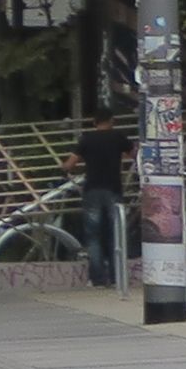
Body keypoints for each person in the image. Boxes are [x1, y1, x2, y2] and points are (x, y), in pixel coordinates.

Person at [76, 111, 133, 286]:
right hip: (113, 189)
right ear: (112, 121)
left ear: (94, 121)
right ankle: (117, 277)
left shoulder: (87, 139)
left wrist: (63, 167)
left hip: (92, 189)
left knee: (93, 236)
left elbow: (70, 162)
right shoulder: (118, 137)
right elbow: (133, 154)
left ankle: (98, 278)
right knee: (115, 233)